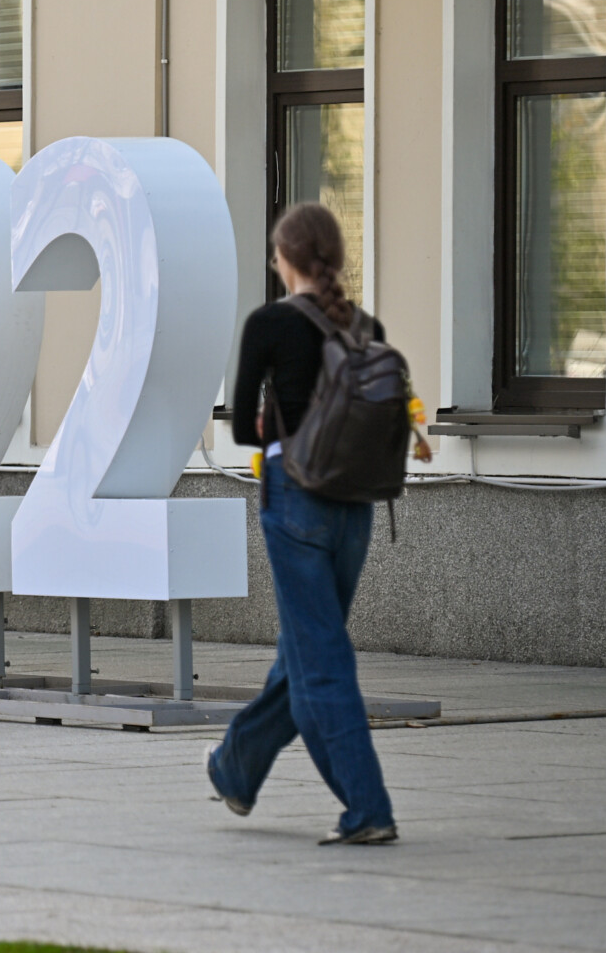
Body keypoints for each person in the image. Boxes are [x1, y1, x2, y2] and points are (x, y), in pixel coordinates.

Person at [205, 202, 398, 846]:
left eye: (274, 252)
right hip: (357, 504)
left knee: (320, 662)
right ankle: (235, 768)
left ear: (285, 259)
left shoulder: (268, 323)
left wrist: (274, 419)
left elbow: (242, 428)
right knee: (307, 648)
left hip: (296, 501)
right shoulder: (365, 327)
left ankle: (367, 809)